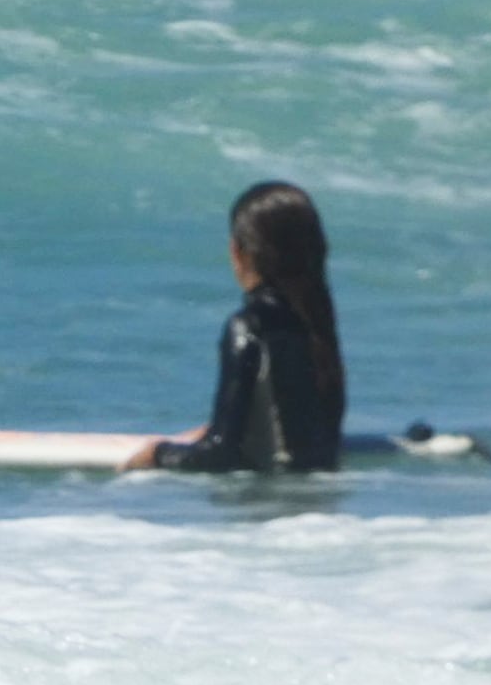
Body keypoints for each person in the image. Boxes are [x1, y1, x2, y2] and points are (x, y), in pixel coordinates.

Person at [122, 181, 347, 472]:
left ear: (238, 252)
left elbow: (220, 455)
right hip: (325, 498)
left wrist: (157, 454)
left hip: (266, 500)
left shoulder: (248, 327)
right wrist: (218, 428)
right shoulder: (316, 326)